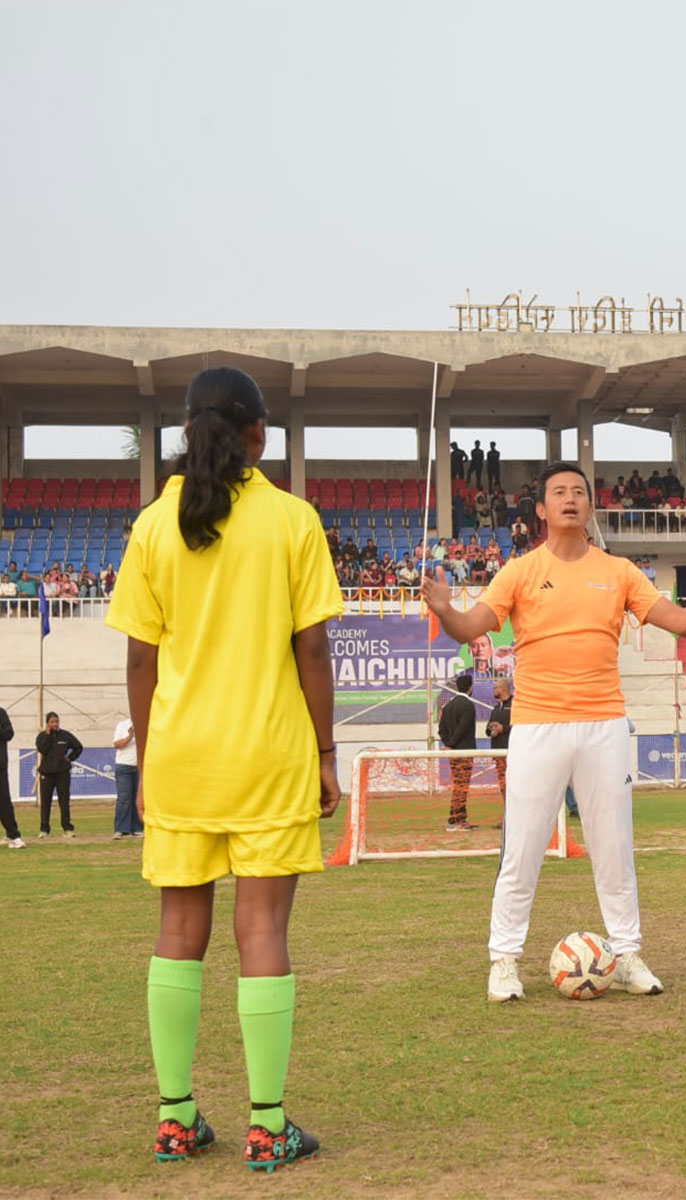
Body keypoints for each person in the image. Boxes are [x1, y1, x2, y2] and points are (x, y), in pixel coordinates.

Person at [105, 365, 343, 1167]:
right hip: (269, 755)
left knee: (177, 930)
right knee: (263, 929)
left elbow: (141, 661)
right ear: (259, 434)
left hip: (180, 757)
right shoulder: (291, 519)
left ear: (184, 428)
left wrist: (150, 754)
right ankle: (267, 1127)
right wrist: (326, 754)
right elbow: (312, 647)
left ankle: (175, 1118)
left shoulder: (151, 524)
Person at [421, 460, 686, 1002]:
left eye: (579, 491)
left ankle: (626, 955)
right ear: (541, 509)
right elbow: (471, 625)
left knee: (614, 846)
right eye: (559, 492)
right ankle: (503, 961)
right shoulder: (521, 570)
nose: (570, 499)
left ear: (590, 505)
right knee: (523, 848)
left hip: (604, 724)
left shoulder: (620, 571)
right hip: (537, 726)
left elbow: (676, 622)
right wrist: (446, 610)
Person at [438, 673, 479, 831]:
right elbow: (462, 728)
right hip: (464, 752)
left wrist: (448, 745)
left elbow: (441, 730)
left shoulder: (448, 706)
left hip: (453, 753)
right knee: (461, 785)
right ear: (470, 688)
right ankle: (454, 820)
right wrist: (453, 744)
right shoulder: (467, 705)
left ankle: (460, 818)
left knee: (459, 784)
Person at [35, 712, 83, 837]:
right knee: (46, 802)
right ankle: (44, 829)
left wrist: (70, 758)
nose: (54, 724)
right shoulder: (42, 736)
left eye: (56, 721)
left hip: (62, 773)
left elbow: (78, 747)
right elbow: (42, 749)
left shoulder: (65, 735)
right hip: (47, 773)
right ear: (47, 723)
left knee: (64, 801)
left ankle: (67, 828)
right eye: (52, 722)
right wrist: (47, 735)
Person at [113, 713, 144, 839]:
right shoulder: (122, 725)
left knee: (138, 799)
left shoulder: (145, 725)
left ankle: (137, 828)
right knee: (124, 798)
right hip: (124, 766)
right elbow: (117, 744)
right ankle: (121, 829)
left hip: (139, 767)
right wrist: (130, 736)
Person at [486, 678, 513, 805]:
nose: (493, 690)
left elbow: (521, 726)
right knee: (504, 786)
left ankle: (515, 817)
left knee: (514, 785)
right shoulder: (496, 708)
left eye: (495, 688)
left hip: (512, 753)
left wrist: (504, 729)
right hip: (499, 755)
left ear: (502, 688)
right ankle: (507, 817)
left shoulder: (515, 705)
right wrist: (491, 729)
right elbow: (487, 730)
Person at [0, 706, 22, 848]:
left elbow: (9, 734)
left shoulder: (1, 713)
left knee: (3, 801)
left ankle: (13, 835)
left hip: (0, 766)